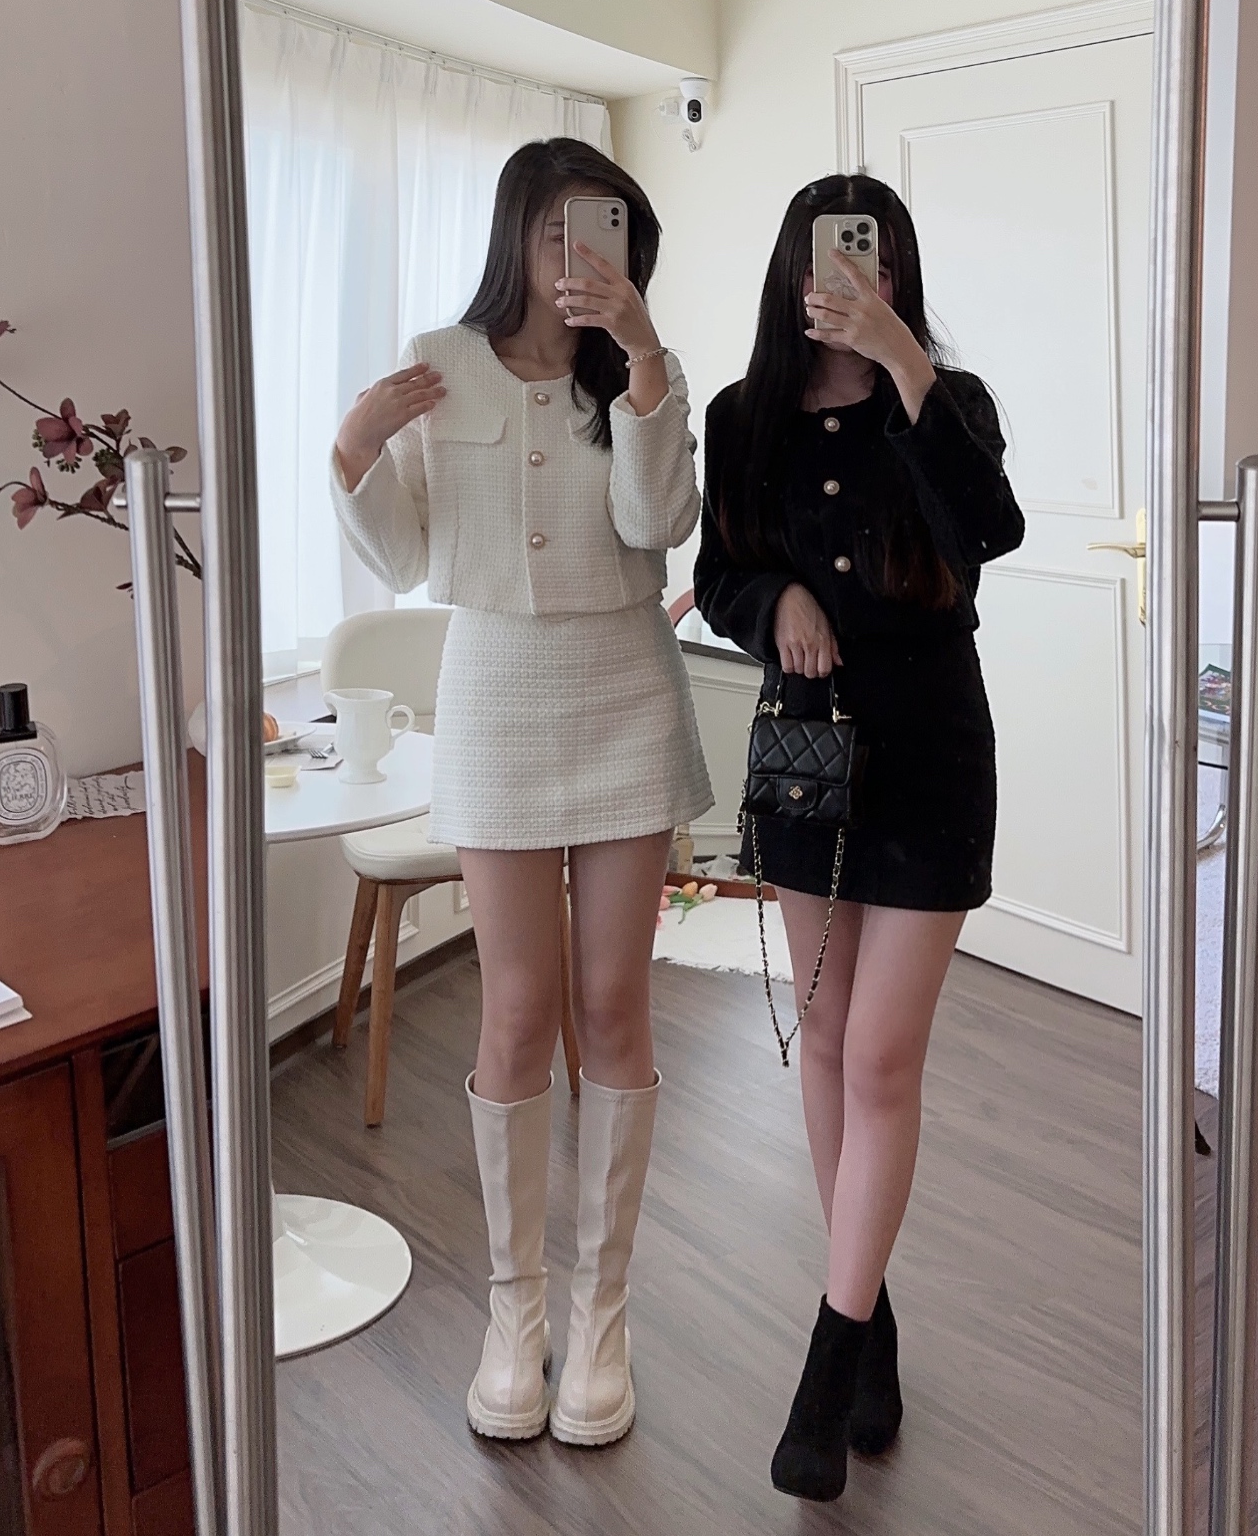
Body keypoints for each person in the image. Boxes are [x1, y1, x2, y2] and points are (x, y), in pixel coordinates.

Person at [331, 137, 712, 1448]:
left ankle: (601, 1316)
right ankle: (515, 1312)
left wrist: (645, 354)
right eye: (552, 231)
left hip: (624, 694)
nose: (576, 256)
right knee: (514, 1011)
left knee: (613, 1005)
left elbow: (658, 525)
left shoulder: (640, 369)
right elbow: (403, 551)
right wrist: (355, 447)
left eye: (598, 230)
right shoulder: (442, 358)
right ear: (512, 236)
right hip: (495, 700)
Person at [694, 173, 1024, 1501]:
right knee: (825, 1043)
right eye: (828, 257)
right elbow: (718, 570)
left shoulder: (949, 401)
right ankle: (870, 1316)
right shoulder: (742, 418)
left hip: (931, 759)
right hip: (806, 762)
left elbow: (988, 530)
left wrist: (903, 364)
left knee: (881, 1055)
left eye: (872, 259)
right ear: (792, 272)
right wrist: (771, 600)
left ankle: (828, 1367)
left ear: (898, 274)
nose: (847, 278)